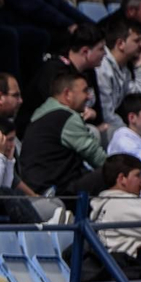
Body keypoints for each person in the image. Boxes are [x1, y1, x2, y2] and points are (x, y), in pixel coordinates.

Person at [20, 69, 107, 209]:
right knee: (111, 172)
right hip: (58, 192)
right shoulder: (66, 117)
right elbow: (97, 158)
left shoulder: (40, 113)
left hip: (41, 188)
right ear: (67, 94)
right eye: (85, 91)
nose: (89, 97)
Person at [89, 152, 141, 277]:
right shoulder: (122, 205)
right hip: (131, 270)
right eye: (138, 175)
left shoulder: (107, 203)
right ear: (121, 179)